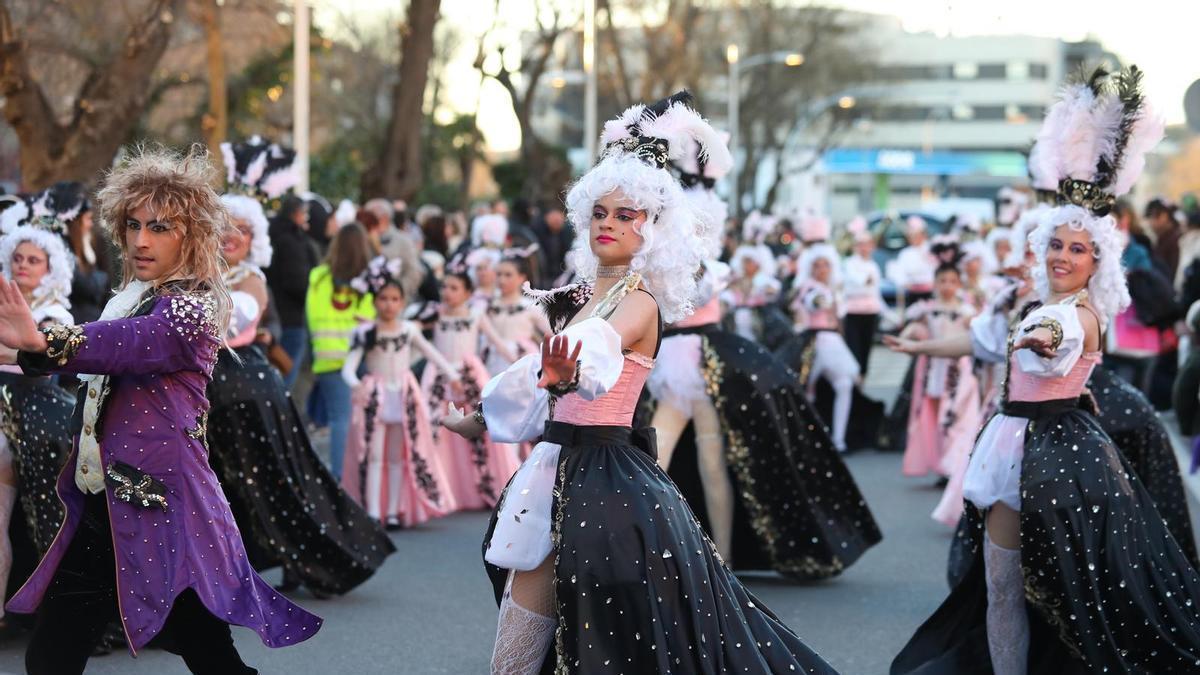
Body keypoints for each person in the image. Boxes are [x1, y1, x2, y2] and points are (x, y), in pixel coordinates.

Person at [442, 91, 836, 675]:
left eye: (625, 215)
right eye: (600, 212)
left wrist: (567, 375)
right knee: (517, 653)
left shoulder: (639, 301)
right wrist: (477, 418)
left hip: (607, 488)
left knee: (614, 651)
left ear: (652, 229)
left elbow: (591, 353)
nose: (608, 224)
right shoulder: (582, 296)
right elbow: (538, 371)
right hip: (554, 472)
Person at [891, 66, 1200, 675]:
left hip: (1062, 458)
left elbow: (1049, 342)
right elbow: (982, 341)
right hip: (1011, 443)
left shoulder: (1078, 317)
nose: (1063, 255)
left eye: (1077, 249)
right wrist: (919, 349)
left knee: (1080, 591)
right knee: (1002, 585)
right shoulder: (1037, 305)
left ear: (1097, 262)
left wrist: (1032, 333)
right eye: (1056, 244)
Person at [0, 146, 321, 674]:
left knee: (206, 651)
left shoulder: (191, 307)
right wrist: (21, 350)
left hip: (161, 504)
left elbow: (128, 343)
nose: (141, 240)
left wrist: (41, 341)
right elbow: (106, 349)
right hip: (110, 497)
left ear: (191, 234)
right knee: (54, 650)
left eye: (160, 227)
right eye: (133, 225)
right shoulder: (134, 292)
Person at [650, 131, 880, 576]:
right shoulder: (662, 268)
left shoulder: (714, 272)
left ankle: (723, 556)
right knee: (653, 460)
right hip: (667, 365)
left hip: (709, 363)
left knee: (713, 461)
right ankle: (658, 548)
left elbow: (692, 299)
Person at [208, 193, 394, 596]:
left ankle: (304, 560)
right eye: (225, 227)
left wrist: (247, 325)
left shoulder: (250, 278)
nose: (231, 236)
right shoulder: (202, 273)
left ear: (254, 238)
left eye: (242, 229)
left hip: (247, 389)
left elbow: (244, 315)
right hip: (210, 392)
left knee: (273, 482)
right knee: (223, 488)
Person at [341, 256, 459, 527]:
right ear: (374, 301)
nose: (389, 304)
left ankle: (392, 512)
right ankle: (372, 511)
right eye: (383, 298)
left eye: (395, 299)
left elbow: (434, 355)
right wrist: (355, 383)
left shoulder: (408, 330)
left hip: (404, 395)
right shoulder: (366, 331)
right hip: (376, 397)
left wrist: (453, 375)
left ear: (403, 303)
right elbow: (348, 367)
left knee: (396, 457)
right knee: (374, 455)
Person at [0, 212, 77, 618]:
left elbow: (42, 361)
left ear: (50, 269)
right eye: (19, 258)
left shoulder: (56, 316)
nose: (23, 265)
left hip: (37, 422)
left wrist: (17, 352)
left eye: (34, 260)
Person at [421, 262, 520, 511]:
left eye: (454, 288)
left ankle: (486, 485)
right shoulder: (434, 314)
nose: (447, 292)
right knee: (438, 428)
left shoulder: (475, 314)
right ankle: (445, 490)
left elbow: (497, 343)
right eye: (444, 287)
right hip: (440, 374)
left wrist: (521, 367)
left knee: (479, 425)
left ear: (467, 292)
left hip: (469, 373)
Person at [897, 262, 979, 487]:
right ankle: (944, 465)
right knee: (935, 417)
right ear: (935, 283)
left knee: (954, 417)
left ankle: (956, 466)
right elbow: (914, 331)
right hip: (933, 371)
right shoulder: (926, 310)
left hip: (958, 372)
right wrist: (907, 335)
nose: (947, 286)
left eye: (952, 281)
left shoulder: (966, 312)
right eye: (942, 281)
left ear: (959, 284)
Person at [306, 223, 377, 481]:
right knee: (364, 420)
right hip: (362, 356)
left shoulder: (318, 277)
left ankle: (340, 480)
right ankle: (363, 479)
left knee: (339, 420)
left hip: (328, 357)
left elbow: (311, 317)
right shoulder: (371, 280)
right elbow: (371, 318)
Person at [266, 194, 320, 388]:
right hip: (291, 317)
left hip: (274, 314)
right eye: (305, 214)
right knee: (286, 372)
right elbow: (297, 282)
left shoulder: (270, 233)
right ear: (297, 214)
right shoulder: (293, 241)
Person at [484, 251, 552, 375]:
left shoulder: (530, 305)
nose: (502, 280)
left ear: (522, 277)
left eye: (508, 275)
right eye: (499, 274)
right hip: (492, 361)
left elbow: (554, 331)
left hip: (522, 362)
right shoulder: (489, 304)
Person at [841, 216, 885, 374]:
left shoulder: (873, 265)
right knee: (853, 351)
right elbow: (859, 282)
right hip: (853, 312)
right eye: (860, 245)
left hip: (871, 313)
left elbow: (875, 291)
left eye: (867, 244)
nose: (864, 248)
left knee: (866, 351)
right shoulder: (849, 264)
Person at [888, 215, 936, 305]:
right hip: (912, 293)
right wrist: (906, 283)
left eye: (917, 235)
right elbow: (899, 273)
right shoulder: (905, 253)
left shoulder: (931, 250)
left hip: (931, 293)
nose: (914, 238)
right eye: (911, 236)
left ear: (923, 235)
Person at [533, 201, 573, 287]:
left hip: (560, 272)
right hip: (543, 274)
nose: (557, 223)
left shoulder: (566, 233)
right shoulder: (538, 231)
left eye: (559, 221)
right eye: (555, 221)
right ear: (547, 218)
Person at [1145, 197, 1182, 277]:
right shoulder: (1160, 238)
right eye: (1150, 216)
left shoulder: (1175, 240)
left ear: (1167, 216)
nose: (1151, 220)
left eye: (1156, 215)